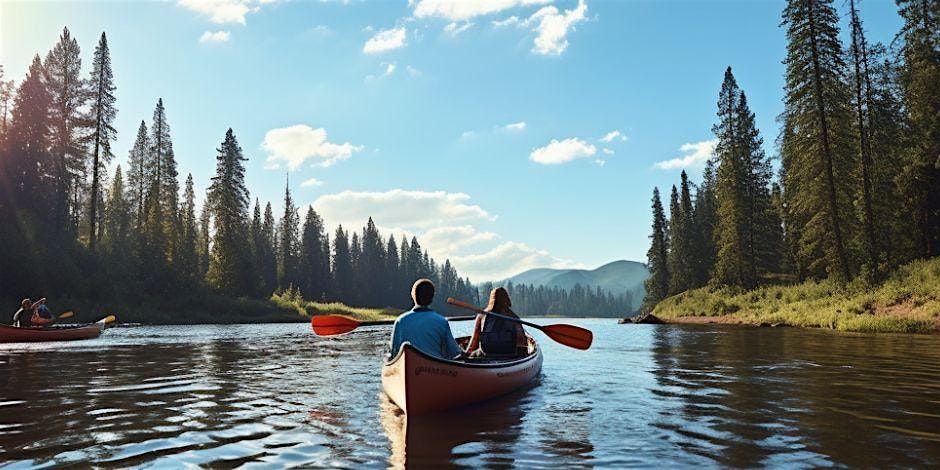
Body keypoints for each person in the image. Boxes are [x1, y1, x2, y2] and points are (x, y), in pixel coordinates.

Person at [388, 279, 464, 360]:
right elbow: (454, 353)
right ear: (432, 298)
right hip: (436, 369)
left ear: (413, 296)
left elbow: (394, 354)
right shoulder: (442, 321)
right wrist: (464, 352)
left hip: (409, 363)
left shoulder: (400, 321)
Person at [465, 287, 528, 357]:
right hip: (509, 354)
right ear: (507, 300)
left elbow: (474, 340)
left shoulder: (482, 315)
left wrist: (467, 355)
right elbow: (522, 342)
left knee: (474, 354)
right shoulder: (514, 317)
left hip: (486, 353)